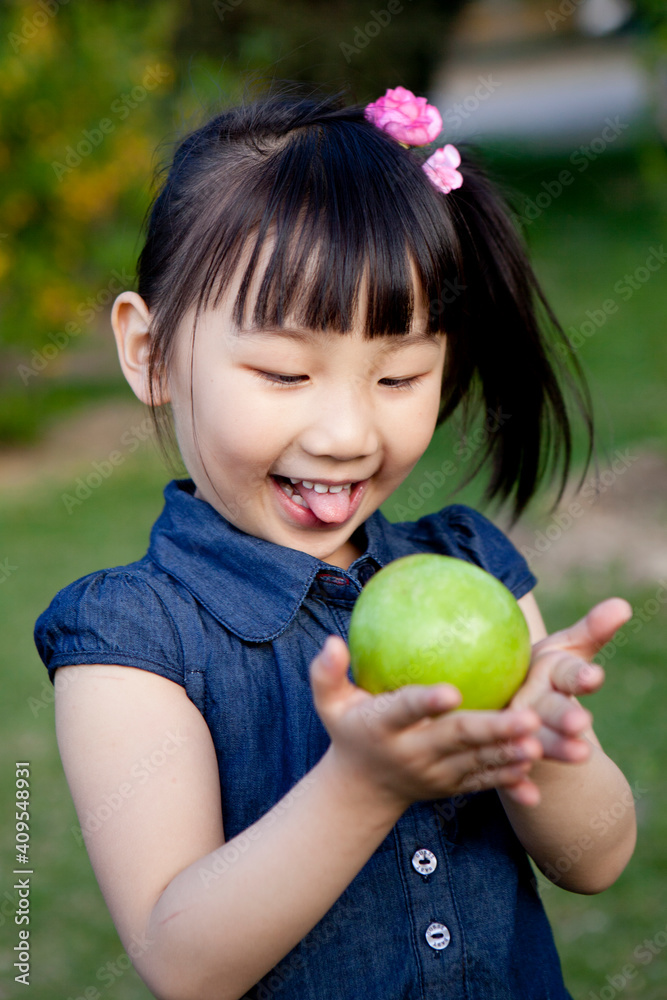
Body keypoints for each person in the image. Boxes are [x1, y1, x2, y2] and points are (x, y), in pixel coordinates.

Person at [34, 83, 636, 1000]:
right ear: (150, 353)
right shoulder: (131, 641)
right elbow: (182, 962)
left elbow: (595, 864)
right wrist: (362, 784)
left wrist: (548, 749)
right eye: (285, 372)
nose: (348, 433)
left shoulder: (466, 570)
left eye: (398, 376)